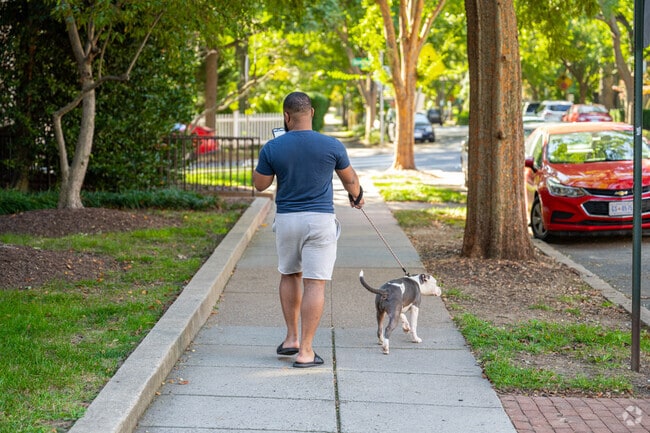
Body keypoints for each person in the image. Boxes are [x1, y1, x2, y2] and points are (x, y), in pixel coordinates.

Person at [253, 91, 364, 368]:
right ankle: (305, 351)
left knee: (290, 274)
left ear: (286, 117)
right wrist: (357, 196)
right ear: (312, 113)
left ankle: (290, 338)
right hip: (320, 220)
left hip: (289, 219)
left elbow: (260, 184)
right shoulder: (332, 145)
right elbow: (350, 180)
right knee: (314, 282)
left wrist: (275, 157)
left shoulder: (273, 147)